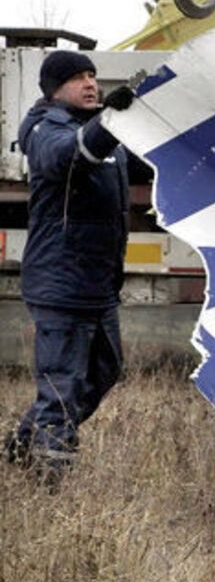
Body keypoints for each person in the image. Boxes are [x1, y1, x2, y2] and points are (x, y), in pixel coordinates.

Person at [4, 51, 135, 480]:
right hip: (61, 284)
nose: (91, 84)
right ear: (54, 88)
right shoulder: (44, 130)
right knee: (61, 391)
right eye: (79, 77)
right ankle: (47, 486)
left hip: (97, 285)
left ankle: (21, 450)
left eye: (93, 76)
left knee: (104, 372)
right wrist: (109, 121)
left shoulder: (99, 133)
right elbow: (71, 157)